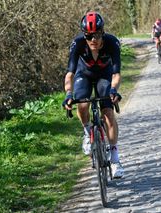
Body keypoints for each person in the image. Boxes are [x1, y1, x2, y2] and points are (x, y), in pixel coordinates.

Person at [62, 11, 124, 178]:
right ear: (84, 35)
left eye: (96, 35)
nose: (93, 40)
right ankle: (87, 131)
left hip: (105, 75)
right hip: (84, 75)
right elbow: (70, 74)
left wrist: (113, 90)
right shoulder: (78, 44)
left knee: (108, 112)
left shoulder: (112, 43)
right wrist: (68, 94)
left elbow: (116, 74)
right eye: (89, 36)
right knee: (82, 103)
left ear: (102, 32)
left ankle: (115, 158)